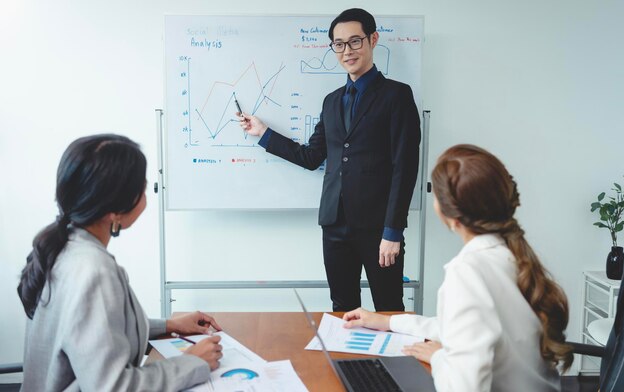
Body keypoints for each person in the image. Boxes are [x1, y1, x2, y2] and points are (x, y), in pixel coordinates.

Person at [343, 144, 573, 391]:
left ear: (448, 214)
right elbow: (461, 328)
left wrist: (440, 357)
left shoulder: (467, 272)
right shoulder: (510, 255)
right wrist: (388, 322)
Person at [239, 8, 421, 311]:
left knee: (389, 307)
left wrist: (393, 231)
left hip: (379, 229)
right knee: (342, 308)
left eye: (354, 42)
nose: (347, 51)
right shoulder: (332, 100)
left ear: (373, 39)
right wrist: (264, 133)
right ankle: (346, 361)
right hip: (334, 225)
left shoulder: (396, 96)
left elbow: (405, 167)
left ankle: (390, 361)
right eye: (339, 44)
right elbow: (312, 156)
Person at [17, 134, 223, 391]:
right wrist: (192, 362)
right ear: (114, 211)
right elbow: (113, 386)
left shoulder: (62, 247)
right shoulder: (94, 271)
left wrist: (169, 325)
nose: (147, 190)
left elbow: (92, 334)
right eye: (143, 186)